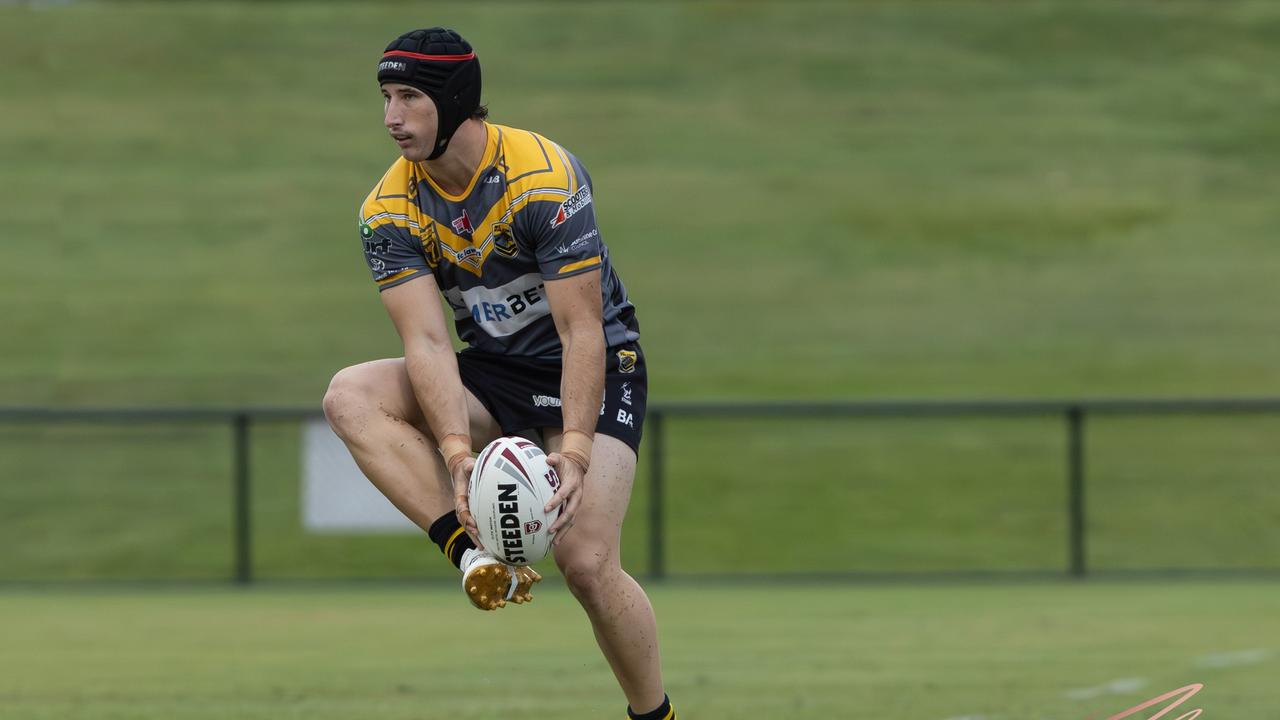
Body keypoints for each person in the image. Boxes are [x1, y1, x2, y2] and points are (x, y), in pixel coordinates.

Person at [322, 27, 676, 720]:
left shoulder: (543, 177)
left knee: (587, 567)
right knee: (349, 396)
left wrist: (572, 448)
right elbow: (426, 342)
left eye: (409, 97)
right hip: (490, 372)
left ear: (455, 100)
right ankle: (471, 558)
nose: (391, 116)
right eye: (385, 97)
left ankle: (655, 716)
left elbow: (581, 330)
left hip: (596, 367)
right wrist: (456, 452)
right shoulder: (386, 211)